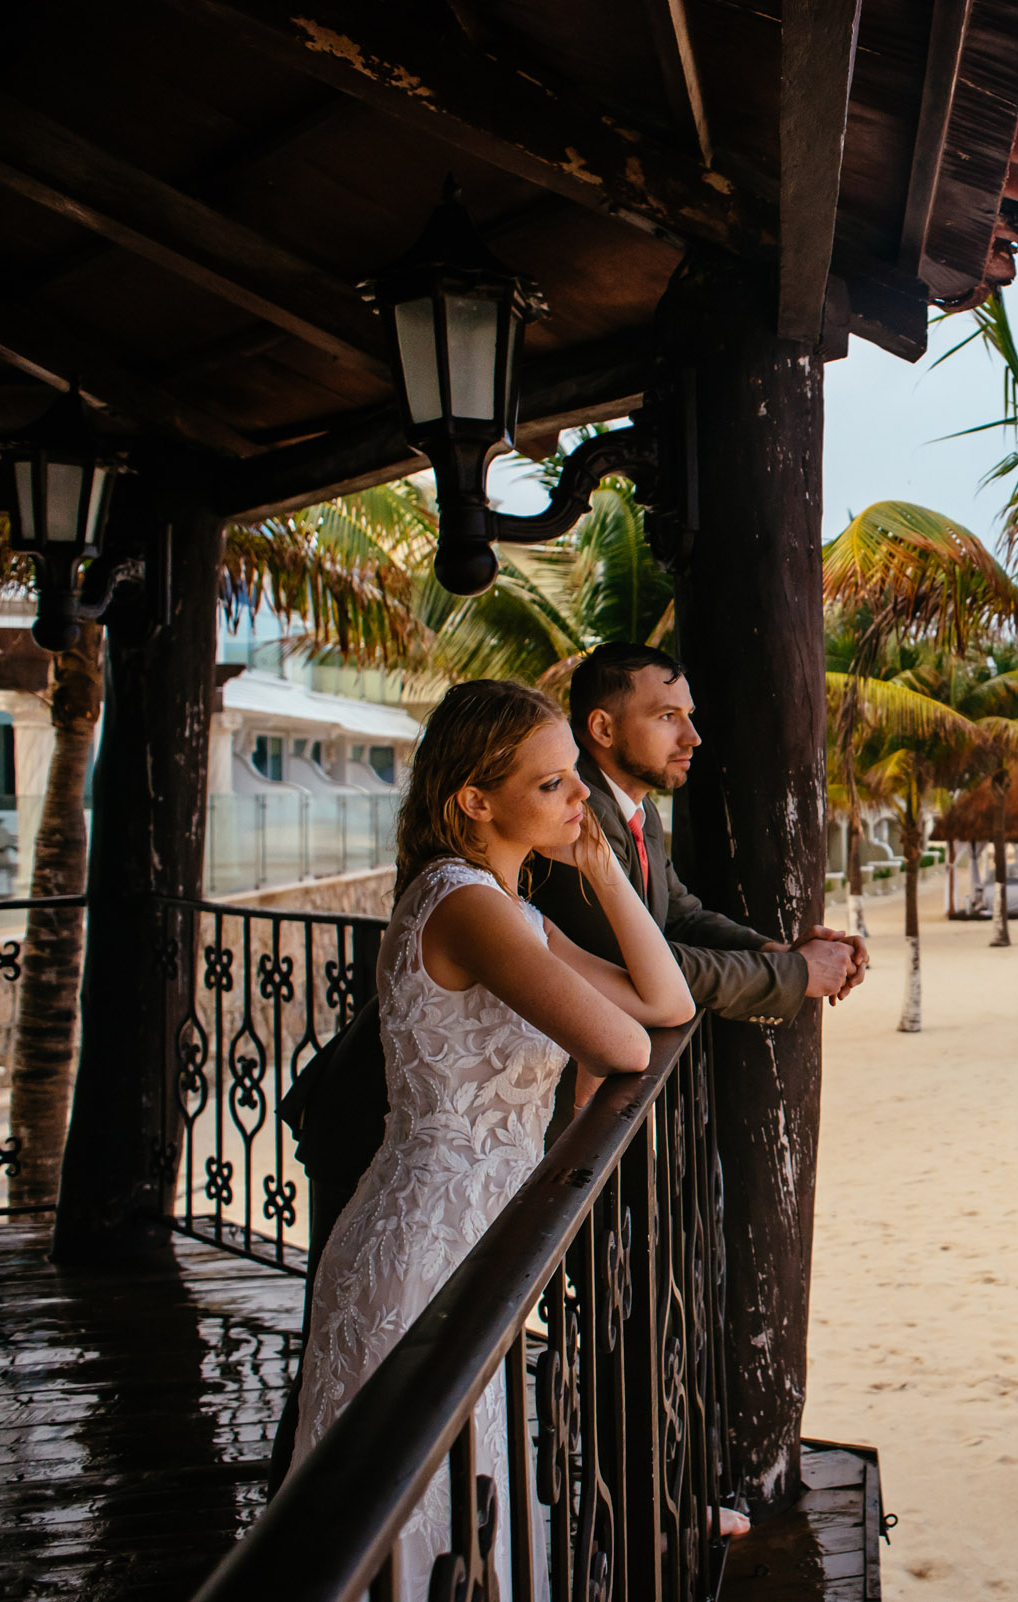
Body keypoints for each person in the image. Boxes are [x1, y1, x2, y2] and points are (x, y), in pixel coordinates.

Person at [290, 680, 701, 1595]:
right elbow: (625, 1041)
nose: (580, 799)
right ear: (476, 799)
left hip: (478, 1234)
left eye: (574, 781)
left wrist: (602, 870)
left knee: (457, 1513)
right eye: (554, 785)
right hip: (425, 1244)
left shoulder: (508, 908)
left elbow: (667, 1002)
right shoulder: (464, 904)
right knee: (409, 1522)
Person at [527, 641, 865, 1037]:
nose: (693, 737)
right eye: (667, 716)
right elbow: (634, 963)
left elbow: (679, 916)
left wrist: (775, 951)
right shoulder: (578, 814)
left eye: (688, 715)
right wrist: (796, 972)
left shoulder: (637, 807)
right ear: (603, 728)